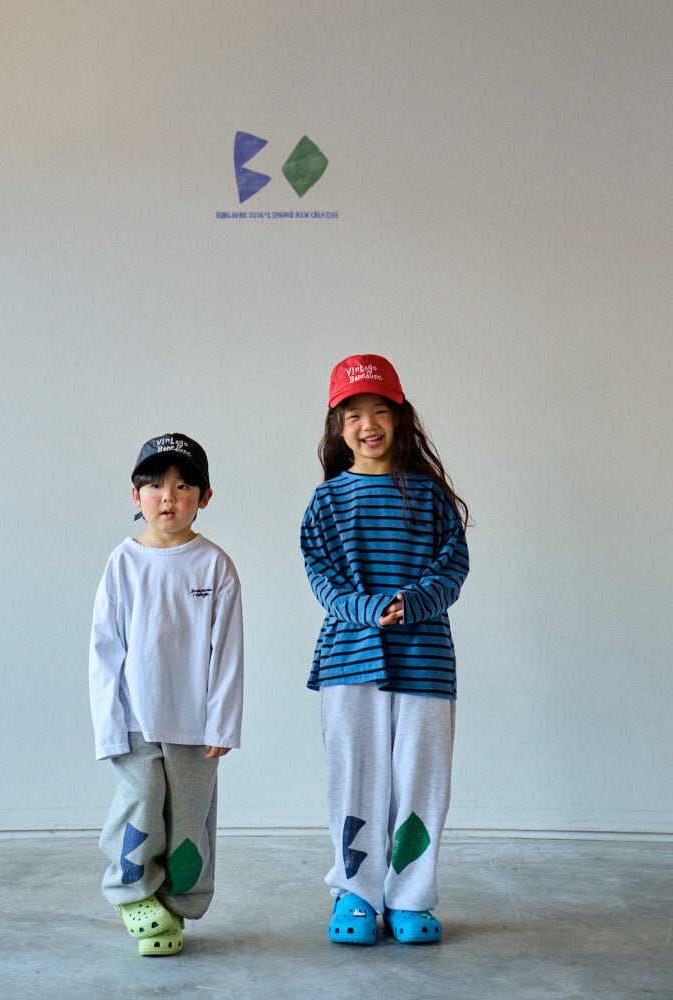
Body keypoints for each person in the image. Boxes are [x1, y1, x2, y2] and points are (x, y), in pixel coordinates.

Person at [300, 354, 469, 946]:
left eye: (379, 411)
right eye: (353, 414)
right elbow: (322, 579)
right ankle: (355, 893)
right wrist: (372, 609)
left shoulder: (431, 497)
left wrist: (412, 602)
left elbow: (453, 566)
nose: (367, 425)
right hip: (348, 662)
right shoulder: (326, 502)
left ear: (400, 416)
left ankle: (411, 897)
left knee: (422, 781)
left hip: (426, 663)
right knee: (354, 778)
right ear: (337, 425)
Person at [89, 433, 243, 956]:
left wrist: (223, 723)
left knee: (188, 820)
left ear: (205, 496)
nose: (168, 497)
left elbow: (227, 652)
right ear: (135, 496)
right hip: (135, 718)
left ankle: (176, 907)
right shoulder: (123, 562)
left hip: (195, 724)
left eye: (183, 486)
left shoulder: (215, 565)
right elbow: (104, 650)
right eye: (154, 485)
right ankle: (132, 894)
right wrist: (108, 726)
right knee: (141, 804)